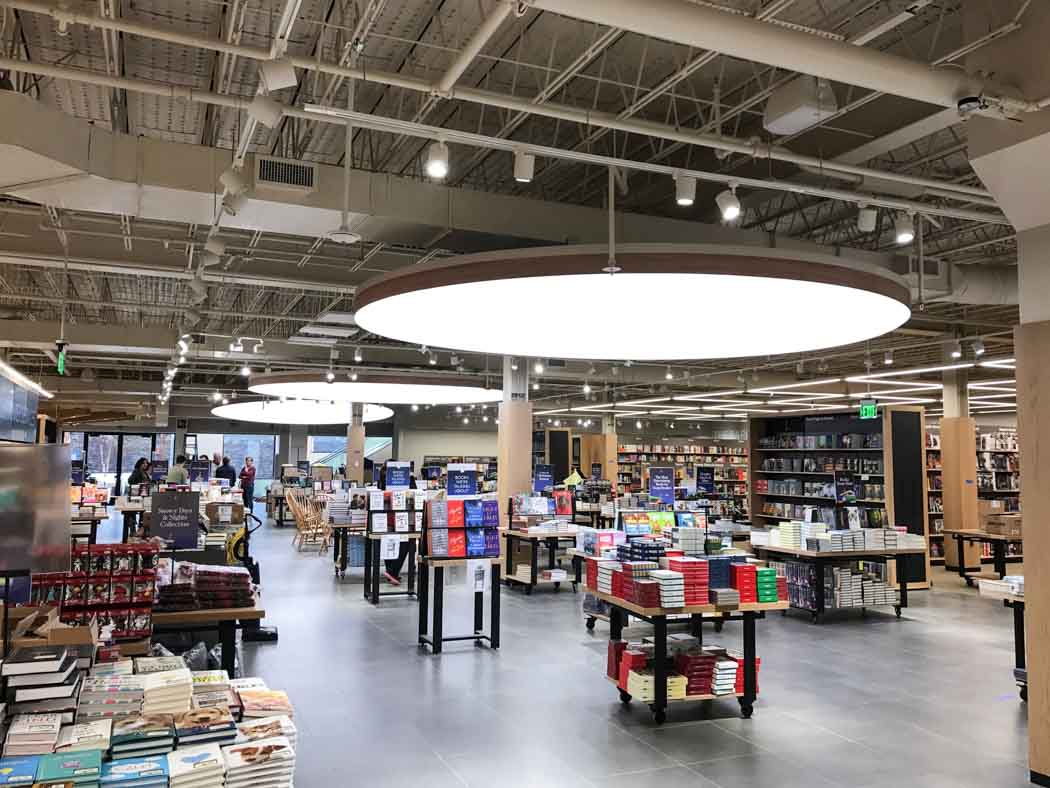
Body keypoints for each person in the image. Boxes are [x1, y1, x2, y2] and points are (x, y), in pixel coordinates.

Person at [383, 473, 417, 586]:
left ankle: (391, 573)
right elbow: (415, 494)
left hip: (387, 518)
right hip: (403, 518)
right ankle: (392, 572)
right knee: (406, 543)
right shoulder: (408, 478)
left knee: (389, 544)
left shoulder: (385, 479)